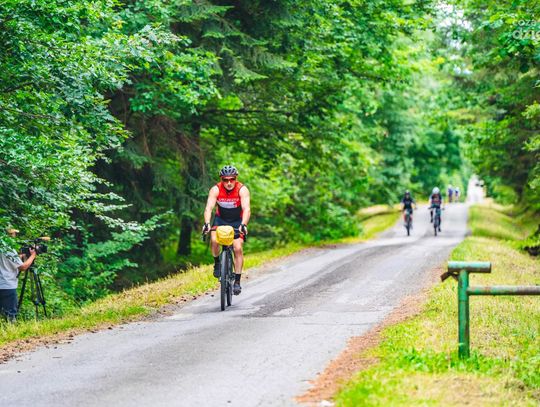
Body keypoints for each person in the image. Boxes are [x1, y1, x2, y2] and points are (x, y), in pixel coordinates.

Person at [202, 165, 251, 296]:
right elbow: (208, 208)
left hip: (237, 221)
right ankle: (217, 263)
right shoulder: (216, 189)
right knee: (214, 241)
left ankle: (237, 282)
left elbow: (246, 209)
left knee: (237, 248)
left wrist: (244, 224)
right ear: (221, 179)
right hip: (221, 220)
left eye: (232, 179)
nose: (229, 183)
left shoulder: (242, 189)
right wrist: (207, 223)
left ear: (236, 178)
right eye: (225, 180)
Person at [0, 228, 36, 322]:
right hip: (7, 286)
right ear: (10, 235)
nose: (15, 236)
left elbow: (7, 261)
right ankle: (11, 329)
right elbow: (23, 267)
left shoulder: (2, 248)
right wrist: (33, 255)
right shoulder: (8, 249)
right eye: (14, 234)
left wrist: (21, 256)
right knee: (10, 315)